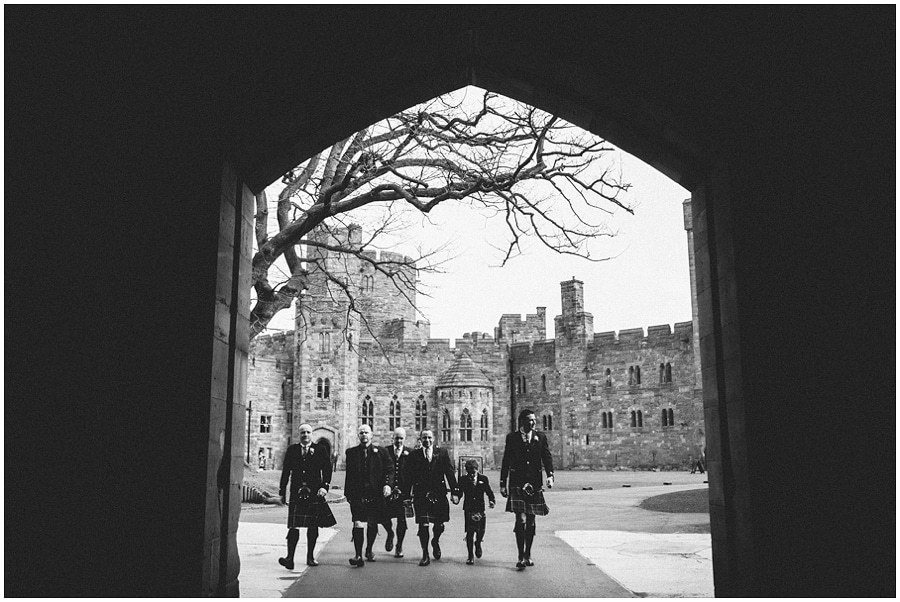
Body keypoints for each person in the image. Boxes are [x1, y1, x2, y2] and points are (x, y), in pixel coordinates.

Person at [500, 409, 554, 569]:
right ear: (522, 421)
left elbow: (547, 457)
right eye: (530, 420)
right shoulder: (512, 438)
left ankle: (528, 553)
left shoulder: (541, 437)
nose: (534, 423)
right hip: (517, 483)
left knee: (531, 521)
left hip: (535, 484)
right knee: (521, 519)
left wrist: (550, 475)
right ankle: (520, 555)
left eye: (534, 420)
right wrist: (503, 483)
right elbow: (506, 461)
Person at [277, 424, 336, 569]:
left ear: (312, 434)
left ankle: (310, 556)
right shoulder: (292, 450)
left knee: (313, 525)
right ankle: (290, 558)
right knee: (293, 525)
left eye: (308, 432)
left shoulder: (320, 450)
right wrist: (282, 491)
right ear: (299, 434)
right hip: (297, 491)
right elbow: (286, 471)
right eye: (303, 432)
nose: (305, 435)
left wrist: (325, 486)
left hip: (314, 491)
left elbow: (327, 469)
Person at [405, 429, 459, 566]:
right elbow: (409, 476)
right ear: (420, 440)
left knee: (439, 524)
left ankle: (435, 541)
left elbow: (449, 472)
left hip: (439, 493)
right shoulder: (414, 455)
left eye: (429, 438)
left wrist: (455, 492)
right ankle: (425, 554)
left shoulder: (442, 453)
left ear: (433, 439)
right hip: (421, 495)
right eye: (424, 438)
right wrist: (406, 495)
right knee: (423, 525)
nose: (427, 440)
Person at [343, 424, 394, 568]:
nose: (364, 435)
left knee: (372, 523)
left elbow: (390, 471)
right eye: (361, 433)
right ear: (358, 436)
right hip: (358, 494)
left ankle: (369, 550)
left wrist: (387, 485)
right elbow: (349, 475)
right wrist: (348, 494)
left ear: (371, 435)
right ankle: (358, 555)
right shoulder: (351, 453)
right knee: (357, 522)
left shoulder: (382, 452)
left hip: (376, 494)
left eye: (366, 432)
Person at [381, 427, 414, 558]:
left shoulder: (410, 453)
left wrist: (410, 492)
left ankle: (399, 546)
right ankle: (390, 533)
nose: (398, 440)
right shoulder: (385, 451)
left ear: (404, 439)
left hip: (403, 492)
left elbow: (413, 473)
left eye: (401, 438)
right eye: (396, 438)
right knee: (384, 517)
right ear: (392, 438)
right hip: (387, 490)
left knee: (402, 520)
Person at [458, 458, 495, 565]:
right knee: (470, 533)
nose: (472, 475)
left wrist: (492, 500)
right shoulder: (463, 479)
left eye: (473, 472)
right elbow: (459, 492)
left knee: (481, 531)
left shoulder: (483, 479)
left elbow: (489, 491)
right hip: (469, 509)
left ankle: (478, 542)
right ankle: (470, 556)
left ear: (477, 469)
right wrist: (456, 498)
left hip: (480, 508)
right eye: (469, 472)